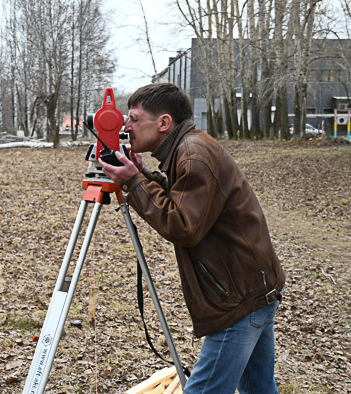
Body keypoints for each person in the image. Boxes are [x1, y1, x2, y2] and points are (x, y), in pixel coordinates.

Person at [99, 83, 285, 394]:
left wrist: (133, 181)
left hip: (238, 298)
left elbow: (183, 225)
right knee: (259, 389)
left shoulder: (192, 154)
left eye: (133, 118)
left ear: (163, 123)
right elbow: (186, 200)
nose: (126, 126)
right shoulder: (187, 146)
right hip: (255, 287)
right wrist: (143, 176)